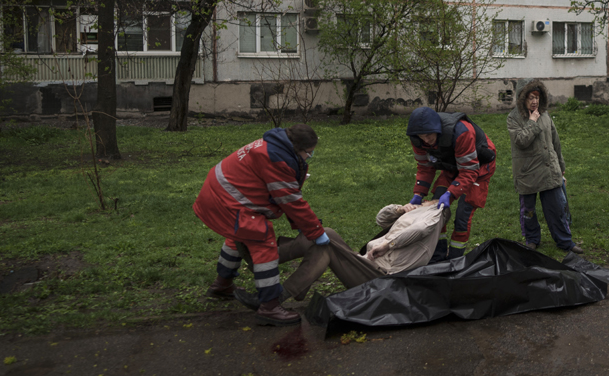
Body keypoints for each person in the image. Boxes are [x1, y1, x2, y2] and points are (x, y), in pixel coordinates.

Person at [193, 124, 330, 327]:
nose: (308, 157)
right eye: (308, 154)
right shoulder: (276, 159)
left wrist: (301, 223)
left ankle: (222, 284)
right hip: (226, 200)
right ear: (298, 148)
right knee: (262, 241)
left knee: (238, 235)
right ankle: (270, 306)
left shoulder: (274, 145)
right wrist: (315, 231)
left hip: (217, 194)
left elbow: (284, 194)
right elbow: (290, 200)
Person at [233, 200, 451, 310]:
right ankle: (267, 261)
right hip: (369, 267)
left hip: (381, 280)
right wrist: (399, 210)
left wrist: (388, 245)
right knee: (323, 235)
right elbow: (380, 219)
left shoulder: (435, 215)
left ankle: (274, 297)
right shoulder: (421, 215)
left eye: (426, 202)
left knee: (325, 243)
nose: (423, 202)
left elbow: (420, 229)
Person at [405, 106, 497, 261]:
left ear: (437, 129)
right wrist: (418, 193)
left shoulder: (462, 132)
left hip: (478, 167)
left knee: (463, 214)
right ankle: (437, 255)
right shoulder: (418, 139)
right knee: (436, 210)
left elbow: (469, 171)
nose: (426, 140)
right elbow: (425, 167)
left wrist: (451, 193)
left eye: (429, 135)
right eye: (422, 136)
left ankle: (455, 259)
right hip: (451, 165)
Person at [507, 80, 583, 254]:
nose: (535, 101)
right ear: (522, 98)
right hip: (527, 172)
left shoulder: (545, 114)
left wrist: (561, 166)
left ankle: (565, 242)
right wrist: (532, 122)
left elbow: (555, 141)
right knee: (529, 211)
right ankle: (532, 240)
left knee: (556, 208)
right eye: (531, 97)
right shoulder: (513, 118)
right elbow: (521, 141)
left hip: (549, 170)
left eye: (537, 97)